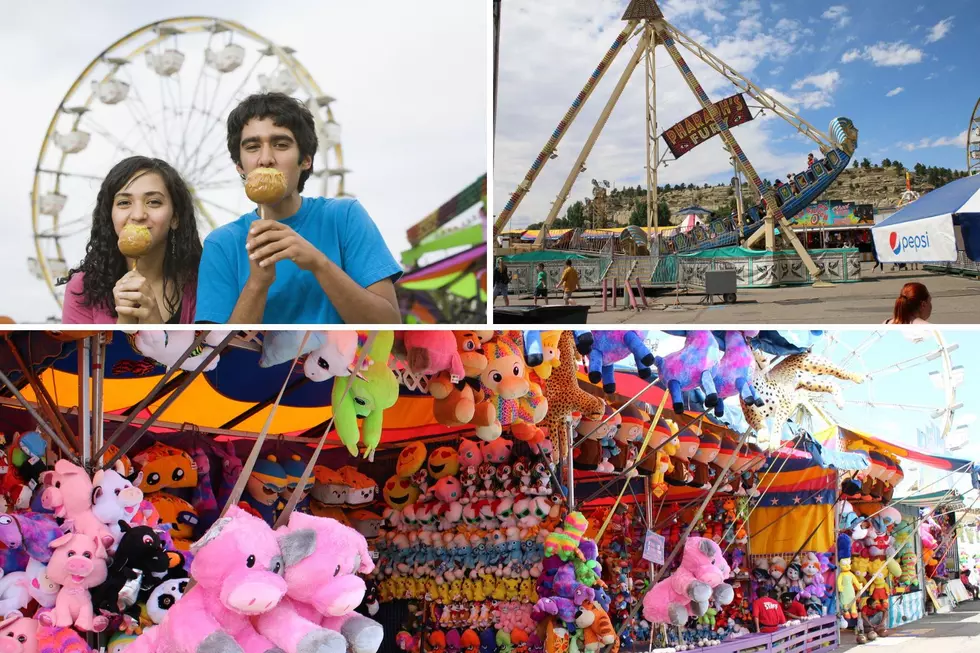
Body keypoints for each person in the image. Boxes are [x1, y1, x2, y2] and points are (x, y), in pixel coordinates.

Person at [195, 92, 401, 324]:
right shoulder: (222, 244)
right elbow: (214, 354)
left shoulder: (344, 217)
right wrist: (257, 284)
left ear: (306, 160)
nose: (265, 159)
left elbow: (389, 328)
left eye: (281, 145)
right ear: (239, 166)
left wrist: (318, 264)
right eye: (252, 147)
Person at [61, 156, 202, 324]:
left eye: (154, 202)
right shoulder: (82, 289)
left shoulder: (204, 283)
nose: (137, 215)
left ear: (175, 218)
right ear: (109, 216)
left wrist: (153, 324)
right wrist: (125, 324)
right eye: (124, 203)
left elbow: (214, 349)